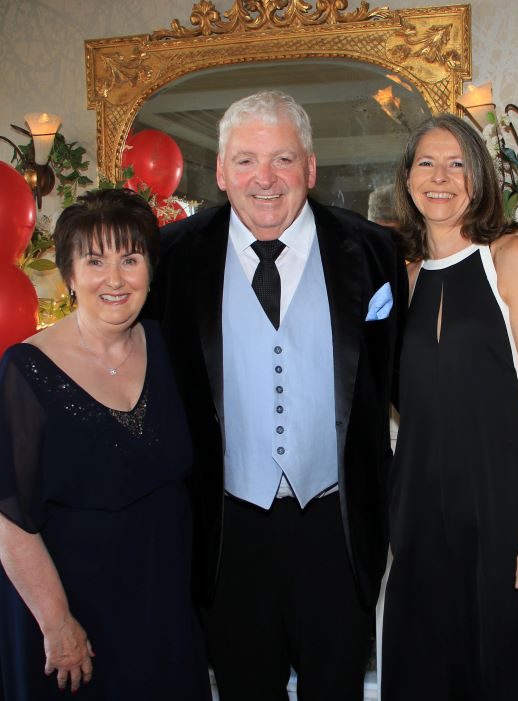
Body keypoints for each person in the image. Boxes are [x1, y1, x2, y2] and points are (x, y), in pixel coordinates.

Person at [147, 91, 407, 701]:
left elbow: (401, 377)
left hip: (336, 524)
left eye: (283, 159)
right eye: (244, 161)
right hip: (227, 526)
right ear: (220, 172)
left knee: (335, 688)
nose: (264, 179)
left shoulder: (372, 251)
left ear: (311, 169)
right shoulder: (174, 255)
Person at [0, 189, 210, 700]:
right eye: (95, 261)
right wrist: (58, 624)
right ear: (69, 275)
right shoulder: (26, 370)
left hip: (157, 600)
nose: (115, 279)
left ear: (151, 268)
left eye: (130, 259)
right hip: (68, 605)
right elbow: (7, 517)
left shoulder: (169, 348)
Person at [381, 114, 518, 700]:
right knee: (423, 674)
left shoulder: (511, 258)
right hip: (419, 521)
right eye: (426, 163)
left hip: (504, 512)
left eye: (457, 163)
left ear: (479, 178)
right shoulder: (404, 279)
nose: (440, 177)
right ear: (408, 179)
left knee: (504, 673)